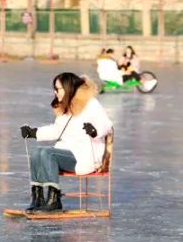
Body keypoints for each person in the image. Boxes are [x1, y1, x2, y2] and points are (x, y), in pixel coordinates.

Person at [19, 72, 113, 213]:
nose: (55, 92)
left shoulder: (91, 104)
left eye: (58, 89)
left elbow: (107, 125)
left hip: (86, 157)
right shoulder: (66, 107)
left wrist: (94, 131)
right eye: (54, 89)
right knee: (36, 152)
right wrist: (34, 132)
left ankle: (54, 200)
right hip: (67, 152)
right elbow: (58, 130)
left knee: (47, 153)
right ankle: (37, 197)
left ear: (68, 87)